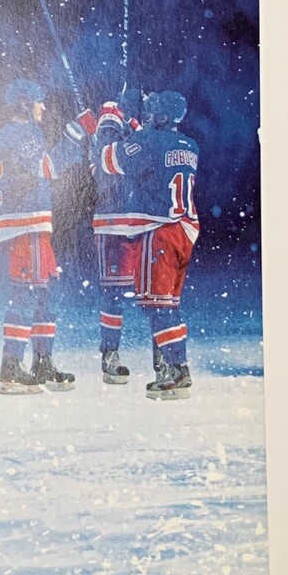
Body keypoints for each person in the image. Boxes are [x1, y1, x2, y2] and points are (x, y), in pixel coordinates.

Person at [0, 79, 89, 395]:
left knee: (45, 293)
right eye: (38, 101)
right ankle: (11, 367)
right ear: (23, 103)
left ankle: (42, 362)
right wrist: (77, 132)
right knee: (28, 293)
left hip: (30, 224)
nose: (43, 107)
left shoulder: (17, 134)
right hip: (25, 224)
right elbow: (49, 166)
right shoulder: (20, 134)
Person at [99, 90, 200, 400]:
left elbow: (107, 161)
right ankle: (174, 368)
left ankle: (177, 371)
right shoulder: (190, 145)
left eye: (153, 111)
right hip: (185, 229)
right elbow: (151, 153)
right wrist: (136, 130)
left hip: (160, 231)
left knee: (155, 306)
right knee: (168, 305)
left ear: (163, 116)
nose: (148, 115)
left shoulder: (150, 141)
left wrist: (108, 125)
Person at [89, 93, 140, 384]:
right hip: (113, 228)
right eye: (106, 128)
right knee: (114, 296)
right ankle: (110, 353)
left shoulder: (112, 144)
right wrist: (132, 128)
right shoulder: (104, 149)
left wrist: (133, 126)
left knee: (149, 297)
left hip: (135, 225)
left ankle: (161, 358)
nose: (109, 133)